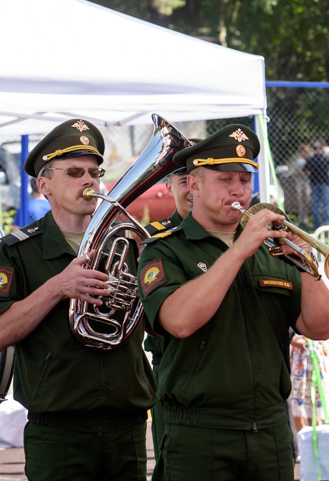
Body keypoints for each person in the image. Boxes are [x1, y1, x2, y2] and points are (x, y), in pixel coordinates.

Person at [136, 124, 329, 480]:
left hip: (271, 428)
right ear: (194, 185)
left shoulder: (272, 248)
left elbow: (320, 328)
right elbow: (179, 321)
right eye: (225, 179)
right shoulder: (165, 248)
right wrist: (240, 250)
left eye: (244, 180)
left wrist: (308, 265)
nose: (239, 191)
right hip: (200, 431)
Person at [0, 118, 156, 481]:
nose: (89, 181)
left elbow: (160, 325)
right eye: (73, 172)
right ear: (44, 185)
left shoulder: (129, 244)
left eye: (94, 172)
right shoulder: (16, 252)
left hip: (127, 424)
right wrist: (58, 286)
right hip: (58, 432)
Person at [143, 159, 197, 463]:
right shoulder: (158, 241)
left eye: (197, 180)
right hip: (173, 371)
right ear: (168, 188)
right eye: (182, 182)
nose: (192, 189)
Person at [305, 140, 329, 227]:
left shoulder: (310, 159)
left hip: (314, 182)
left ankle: (317, 223)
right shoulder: (326, 158)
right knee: (326, 203)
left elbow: (306, 171)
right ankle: (327, 222)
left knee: (316, 204)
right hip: (325, 182)